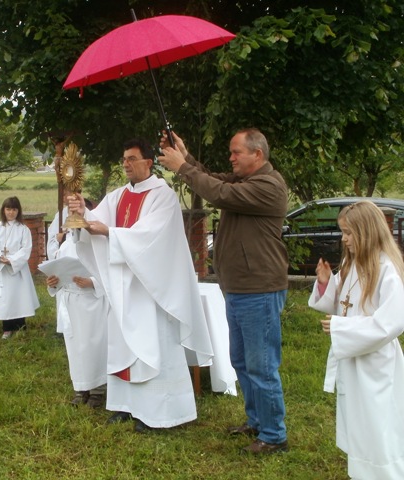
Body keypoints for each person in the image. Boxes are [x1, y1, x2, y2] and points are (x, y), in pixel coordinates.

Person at [67, 138, 213, 433]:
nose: (126, 164)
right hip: (123, 285)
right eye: (124, 159)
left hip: (151, 287)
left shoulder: (163, 196)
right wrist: (83, 211)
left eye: (132, 158)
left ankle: (159, 412)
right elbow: (98, 221)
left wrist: (110, 233)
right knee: (123, 346)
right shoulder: (118, 195)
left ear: (149, 163)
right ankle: (126, 406)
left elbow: (152, 238)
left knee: (153, 343)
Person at [159, 129, 289, 454]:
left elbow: (217, 193)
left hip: (259, 290)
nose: (231, 158)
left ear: (257, 155)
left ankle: (274, 436)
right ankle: (257, 422)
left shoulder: (268, 186)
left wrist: (180, 168)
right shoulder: (245, 182)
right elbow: (212, 179)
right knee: (242, 361)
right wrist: (185, 156)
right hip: (240, 289)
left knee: (261, 365)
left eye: (236, 152)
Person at [308, 201, 404, 479]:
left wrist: (342, 330)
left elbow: (391, 323)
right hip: (354, 358)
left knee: (377, 423)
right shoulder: (352, 263)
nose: (344, 238)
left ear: (368, 231)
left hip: (376, 364)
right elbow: (344, 301)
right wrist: (328, 283)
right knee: (359, 422)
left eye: (349, 232)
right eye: (343, 232)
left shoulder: (387, 270)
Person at [46, 216, 109, 408]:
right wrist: (53, 282)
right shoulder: (65, 246)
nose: (74, 232)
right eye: (72, 229)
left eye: (78, 228)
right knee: (75, 347)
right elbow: (57, 270)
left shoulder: (98, 245)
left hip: (92, 302)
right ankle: (81, 387)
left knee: (93, 345)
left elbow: (110, 274)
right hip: (70, 300)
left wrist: (92, 282)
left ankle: (98, 390)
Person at [0, 196, 39, 339]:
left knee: (19, 297)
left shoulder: (23, 229)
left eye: (14, 209)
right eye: (8, 209)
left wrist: (12, 260)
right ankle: (7, 328)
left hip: (17, 270)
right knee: (5, 299)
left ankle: (20, 326)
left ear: (18, 211)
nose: (11, 212)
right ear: (3, 210)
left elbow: (26, 249)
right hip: (2, 270)